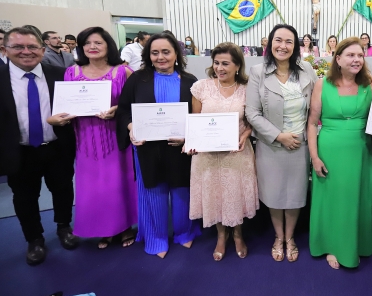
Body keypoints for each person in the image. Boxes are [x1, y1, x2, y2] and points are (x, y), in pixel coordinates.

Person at [116, 32, 201, 258]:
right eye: (155, 52)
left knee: (183, 192)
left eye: (166, 52)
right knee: (152, 192)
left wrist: (189, 137)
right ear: (148, 55)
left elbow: (197, 116)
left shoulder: (190, 81)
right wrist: (131, 127)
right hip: (148, 148)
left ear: (176, 54)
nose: (160, 57)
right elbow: (124, 110)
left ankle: (185, 233)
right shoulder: (137, 79)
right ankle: (156, 237)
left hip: (180, 148)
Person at [51, 27, 137, 249]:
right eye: (87, 43)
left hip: (115, 138)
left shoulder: (123, 72)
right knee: (93, 187)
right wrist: (60, 116)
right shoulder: (71, 73)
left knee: (119, 184)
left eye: (98, 42)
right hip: (85, 140)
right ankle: (104, 230)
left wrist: (116, 109)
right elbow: (64, 104)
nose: (92, 47)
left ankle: (125, 226)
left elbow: (135, 104)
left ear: (108, 44)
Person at [0, 27, 78, 265]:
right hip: (19, 151)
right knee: (24, 197)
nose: (26, 52)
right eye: (18, 47)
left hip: (57, 146)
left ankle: (64, 227)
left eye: (32, 47)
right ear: (5, 50)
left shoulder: (61, 74)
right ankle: (34, 239)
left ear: (43, 50)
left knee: (63, 189)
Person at [245, 24, 318, 262]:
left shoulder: (306, 69)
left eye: (289, 41)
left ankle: (291, 237)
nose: (283, 46)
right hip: (271, 144)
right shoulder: (258, 72)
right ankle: (279, 237)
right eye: (278, 40)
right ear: (269, 43)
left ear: (296, 45)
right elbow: (252, 113)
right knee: (275, 194)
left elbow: (317, 104)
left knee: (295, 195)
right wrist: (278, 136)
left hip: (300, 144)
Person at [307, 37, 372, 269]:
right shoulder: (322, 84)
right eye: (350, 55)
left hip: (360, 150)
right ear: (338, 59)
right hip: (330, 149)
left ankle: (355, 243)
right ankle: (332, 245)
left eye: (360, 55)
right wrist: (315, 157)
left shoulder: (369, 85)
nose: (356, 59)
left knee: (356, 197)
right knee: (332, 199)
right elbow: (311, 123)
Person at [188, 42, 259, 261]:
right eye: (216, 63)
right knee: (215, 193)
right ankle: (221, 235)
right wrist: (192, 141)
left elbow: (253, 121)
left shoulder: (248, 89)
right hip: (208, 156)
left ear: (237, 65)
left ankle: (237, 234)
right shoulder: (201, 87)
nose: (220, 68)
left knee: (234, 193)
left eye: (225, 63)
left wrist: (245, 135)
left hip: (236, 153)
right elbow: (195, 120)